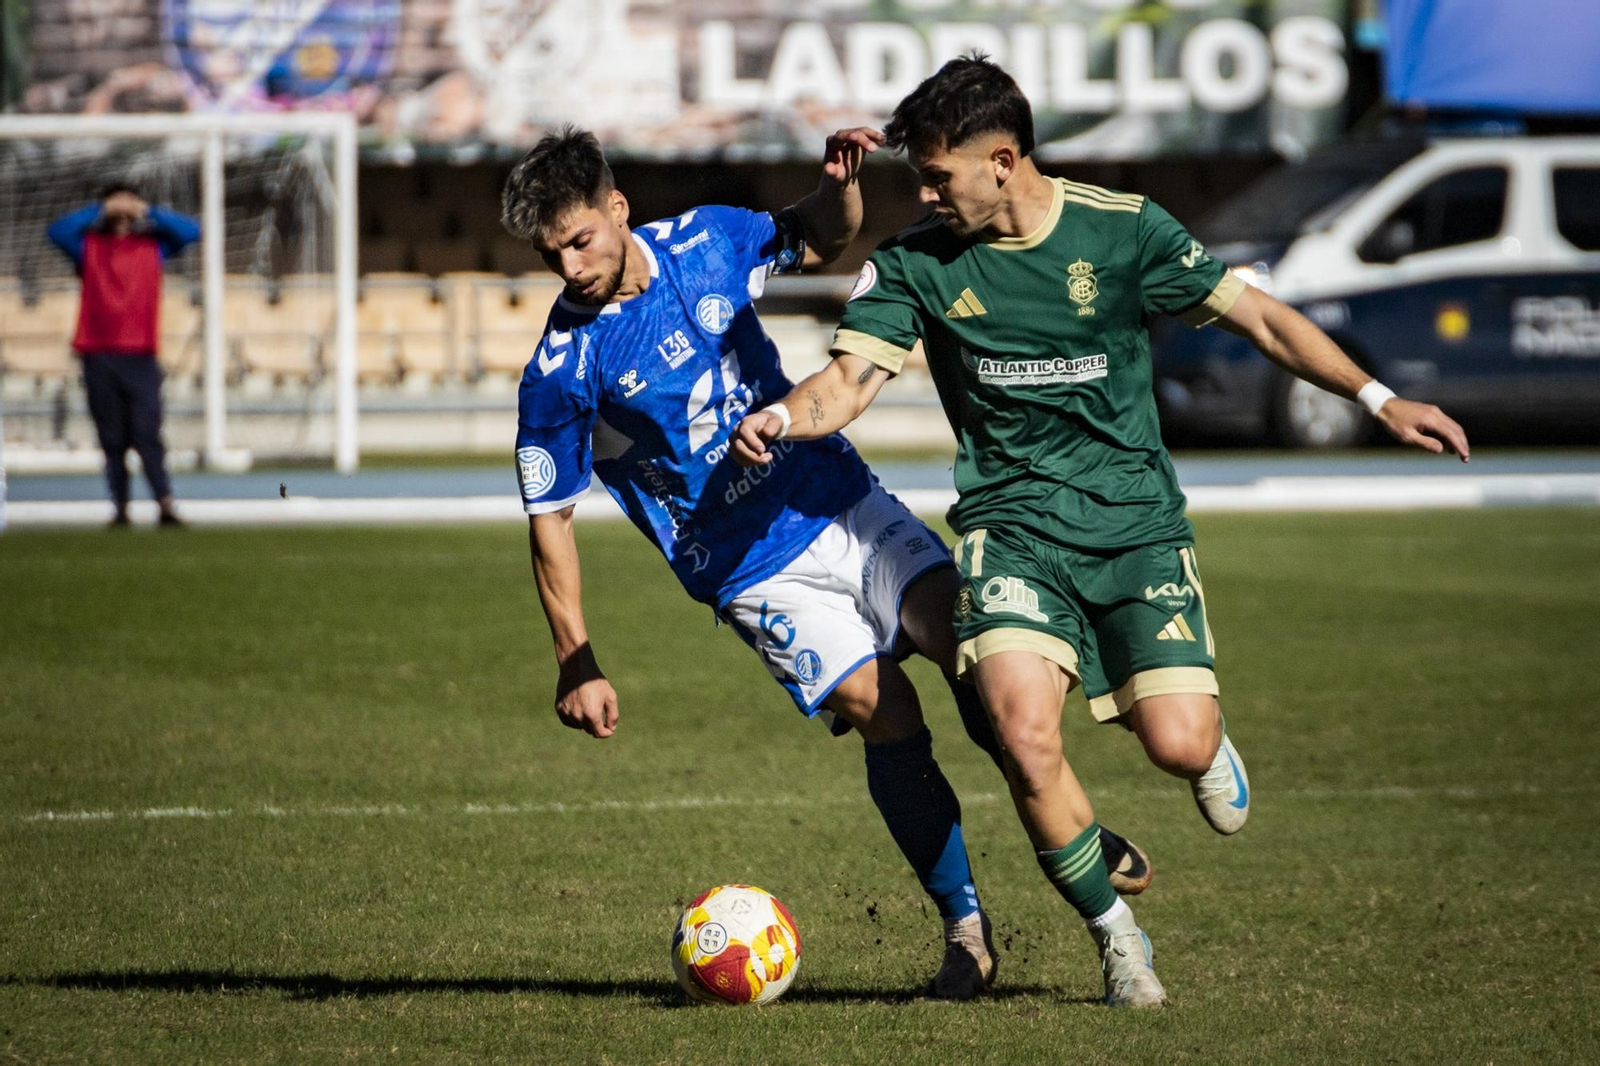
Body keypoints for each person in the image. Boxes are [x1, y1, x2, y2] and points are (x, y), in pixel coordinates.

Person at [733, 56, 1471, 1008]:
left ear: (1003, 161)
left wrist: (1377, 397)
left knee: (1175, 741)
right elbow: (847, 382)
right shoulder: (916, 261)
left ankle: (1204, 748)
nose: (919, 193)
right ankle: (1120, 943)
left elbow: (1263, 323)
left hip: (1135, 530)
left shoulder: (1124, 231)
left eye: (935, 175)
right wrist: (786, 418)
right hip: (1013, 532)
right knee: (1020, 730)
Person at [503, 126, 1152, 1000]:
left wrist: (841, 183)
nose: (570, 266)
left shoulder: (706, 238)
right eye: (552, 255)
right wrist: (574, 659)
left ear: (617, 210)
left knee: (969, 641)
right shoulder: (560, 368)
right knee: (885, 712)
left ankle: (1073, 828)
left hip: (837, 500)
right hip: (747, 569)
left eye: (579, 239)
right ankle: (966, 932)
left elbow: (822, 231)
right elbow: (551, 520)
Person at [48, 183, 200, 527]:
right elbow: (57, 232)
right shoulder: (88, 248)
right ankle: (120, 508)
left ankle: (165, 503)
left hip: (141, 355)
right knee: (112, 438)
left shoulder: (152, 248)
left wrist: (147, 210)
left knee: (147, 433)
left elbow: (191, 231)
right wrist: (100, 209)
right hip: (98, 354)